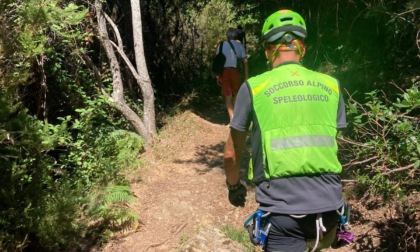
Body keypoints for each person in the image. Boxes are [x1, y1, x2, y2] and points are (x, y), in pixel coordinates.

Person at [223, 10, 347, 252]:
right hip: (330, 210)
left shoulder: (254, 88)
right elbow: (335, 142)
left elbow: (231, 152)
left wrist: (234, 187)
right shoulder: (331, 85)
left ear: (268, 50)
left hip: (284, 214)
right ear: (302, 48)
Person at [215, 27, 248, 120]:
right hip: (236, 72)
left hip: (224, 72)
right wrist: (246, 76)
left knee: (227, 95)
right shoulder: (240, 45)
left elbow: (217, 60)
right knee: (236, 93)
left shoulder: (221, 45)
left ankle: (232, 118)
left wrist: (217, 75)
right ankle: (235, 116)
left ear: (227, 36)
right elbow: (245, 61)